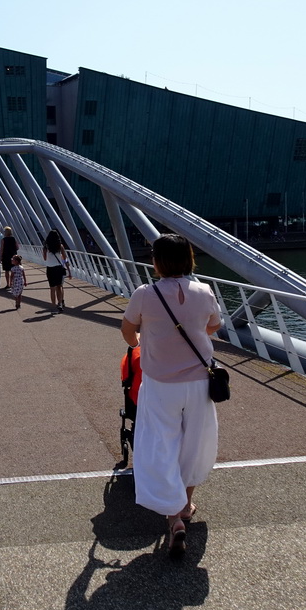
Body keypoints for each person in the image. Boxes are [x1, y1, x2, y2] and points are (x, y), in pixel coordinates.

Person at [119, 233, 222, 558]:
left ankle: (173, 516)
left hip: (159, 383)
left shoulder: (144, 294)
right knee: (195, 442)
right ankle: (187, 504)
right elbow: (213, 326)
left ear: (157, 261)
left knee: (160, 444)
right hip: (198, 383)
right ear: (189, 258)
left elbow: (127, 330)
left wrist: (142, 343)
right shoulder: (204, 291)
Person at [42, 228, 69, 313]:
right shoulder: (60, 246)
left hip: (50, 268)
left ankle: (53, 306)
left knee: (52, 288)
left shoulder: (46, 246)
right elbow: (65, 258)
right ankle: (60, 303)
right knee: (59, 287)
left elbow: (45, 258)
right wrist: (67, 266)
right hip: (58, 268)